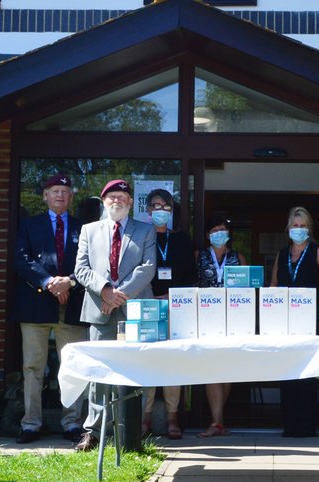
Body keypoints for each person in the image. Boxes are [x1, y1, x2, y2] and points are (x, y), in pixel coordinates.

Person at [72, 179, 157, 451]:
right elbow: (82, 269)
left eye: (122, 197)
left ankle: (130, 430)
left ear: (130, 202)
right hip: (100, 311)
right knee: (98, 374)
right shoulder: (89, 230)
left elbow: (147, 267)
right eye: (111, 197)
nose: (117, 201)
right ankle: (93, 431)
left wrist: (118, 295)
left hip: (132, 311)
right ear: (104, 201)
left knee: (135, 370)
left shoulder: (145, 230)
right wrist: (105, 291)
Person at [12, 173, 89, 444]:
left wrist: (69, 282)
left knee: (73, 367)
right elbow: (20, 260)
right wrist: (48, 282)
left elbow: (90, 265)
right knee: (33, 366)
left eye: (65, 192)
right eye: (54, 191)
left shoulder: (85, 228)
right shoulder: (29, 226)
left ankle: (72, 424)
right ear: (45, 195)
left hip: (72, 305)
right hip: (36, 305)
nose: (59, 195)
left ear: (71, 197)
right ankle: (31, 424)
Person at [270, 206, 319, 438]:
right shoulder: (282, 254)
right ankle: (290, 424)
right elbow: (273, 287)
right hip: (285, 323)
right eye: (295, 226)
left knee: (306, 374)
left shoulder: (317, 251)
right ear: (288, 228)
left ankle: (307, 426)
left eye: (303, 226)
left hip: (310, 321)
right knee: (287, 374)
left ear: (309, 228)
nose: (299, 230)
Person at [141, 188, 197, 440]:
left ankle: (173, 417)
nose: (160, 210)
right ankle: (145, 417)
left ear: (171, 211)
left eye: (165, 206)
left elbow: (191, 276)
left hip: (177, 307)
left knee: (173, 362)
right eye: (156, 205)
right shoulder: (142, 237)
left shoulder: (182, 240)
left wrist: (172, 295)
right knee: (149, 362)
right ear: (148, 210)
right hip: (148, 306)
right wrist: (151, 296)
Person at [195, 214, 241, 438]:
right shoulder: (199, 256)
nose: (219, 234)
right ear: (208, 235)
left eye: (222, 230)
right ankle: (217, 421)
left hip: (233, 319)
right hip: (207, 319)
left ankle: (218, 421)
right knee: (212, 367)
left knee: (228, 369)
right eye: (214, 231)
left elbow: (247, 289)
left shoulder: (237, 257)